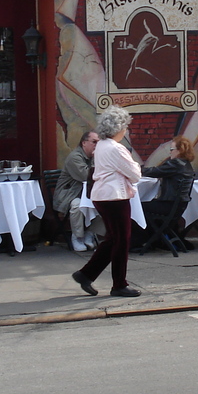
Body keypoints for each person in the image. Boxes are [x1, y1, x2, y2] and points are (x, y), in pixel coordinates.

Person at [71, 107, 142, 298]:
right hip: (115, 197)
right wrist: (133, 165)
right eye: (125, 127)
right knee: (121, 240)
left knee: (113, 238)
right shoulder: (116, 148)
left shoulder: (101, 145)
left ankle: (86, 274)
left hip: (103, 196)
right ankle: (119, 284)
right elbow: (135, 175)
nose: (126, 130)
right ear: (118, 128)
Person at [135, 136, 196, 248]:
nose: (170, 153)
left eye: (171, 150)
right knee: (143, 206)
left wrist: (135, 168)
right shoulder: (186, 165)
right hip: (177, 206)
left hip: (168, 205)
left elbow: (154, 171)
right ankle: (150, 239)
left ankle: (137, 241)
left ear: (179, 150)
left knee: (136, 208)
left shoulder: (176, 164)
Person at [53, 130, 103, 252]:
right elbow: (87, 176)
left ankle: (91, 234)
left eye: (99, 142)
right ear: (84, 143)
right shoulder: (75, 157)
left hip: (86, 193)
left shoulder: (92, 157)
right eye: (94, 142)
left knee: (106, 203)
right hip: (68, 195)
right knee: (77, 205)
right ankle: (77, 237)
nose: (97, 145)